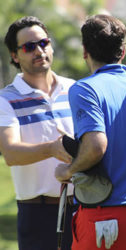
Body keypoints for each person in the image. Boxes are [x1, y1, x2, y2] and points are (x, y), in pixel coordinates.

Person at [54, 14, 126, 250]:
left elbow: (95, 146)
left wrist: (68, 170)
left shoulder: (83, 89)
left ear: (85, 51)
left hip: (104, 219)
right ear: (122, 51)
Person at [0, 16, 75, 250]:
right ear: (15, 56)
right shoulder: (5, 99)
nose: (39, 50)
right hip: (37, 213)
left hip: (85, 206)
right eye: (29, 47)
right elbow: (11, 154)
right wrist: (53, 148)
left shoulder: (75, 89)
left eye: (43, 43)